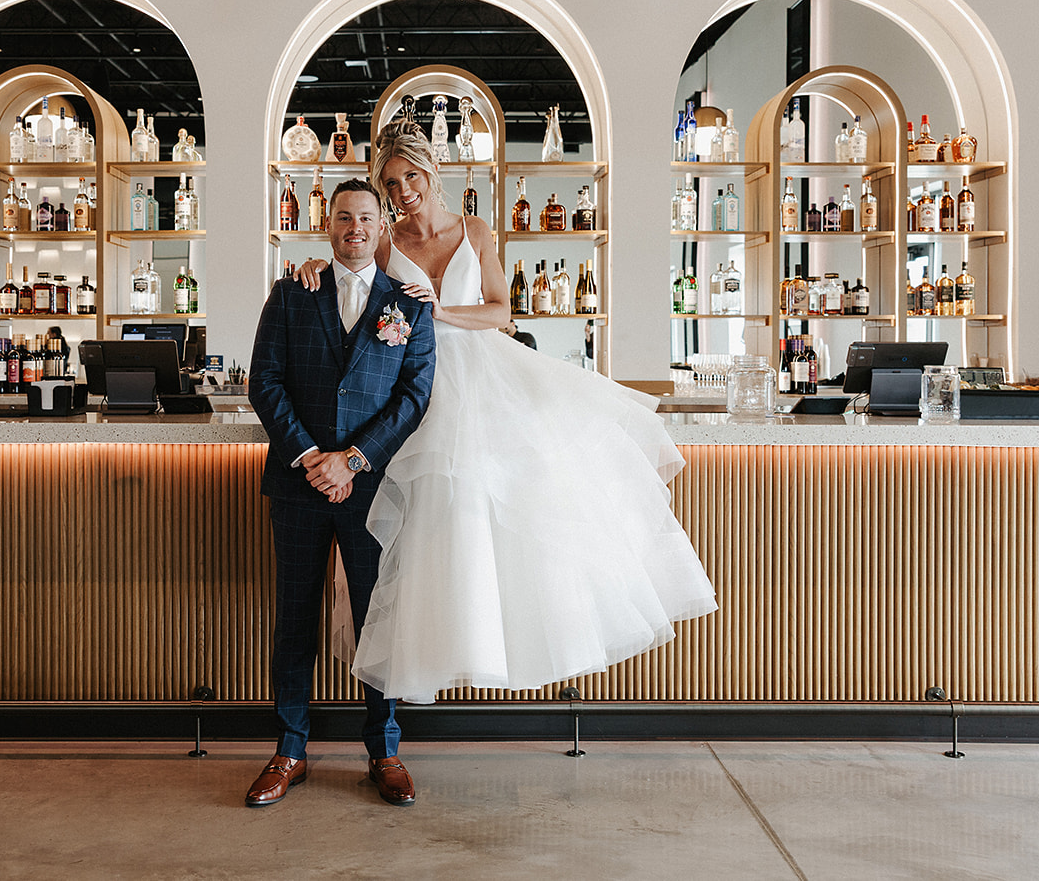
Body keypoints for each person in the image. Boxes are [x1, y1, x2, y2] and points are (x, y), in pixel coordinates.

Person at [299, 121, 717, 706]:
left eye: (410, 177)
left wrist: (441, 312)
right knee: (430, 523)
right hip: (418, 388)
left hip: (485, 376)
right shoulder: (387, 242)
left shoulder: (474, 229)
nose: (401, 193)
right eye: (390, 183)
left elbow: (502, 313)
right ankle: (431, 658)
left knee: (507, 506)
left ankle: (497, 644)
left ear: (432, 171)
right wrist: (314, 266)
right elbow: (352, 268)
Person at [246, 178, 436, 808]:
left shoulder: (408, 307)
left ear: (383, 227)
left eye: (366, 218)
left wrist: (352, 460)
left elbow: (414, 397)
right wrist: (310, 457)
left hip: (372, 486)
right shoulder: (289, 294)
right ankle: (290, 748)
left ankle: (384, 750)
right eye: (344, 217)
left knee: (376, 617)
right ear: (327, 225)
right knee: (294, 614)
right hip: (299, 483)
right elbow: (265, 382)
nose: (355, 228)